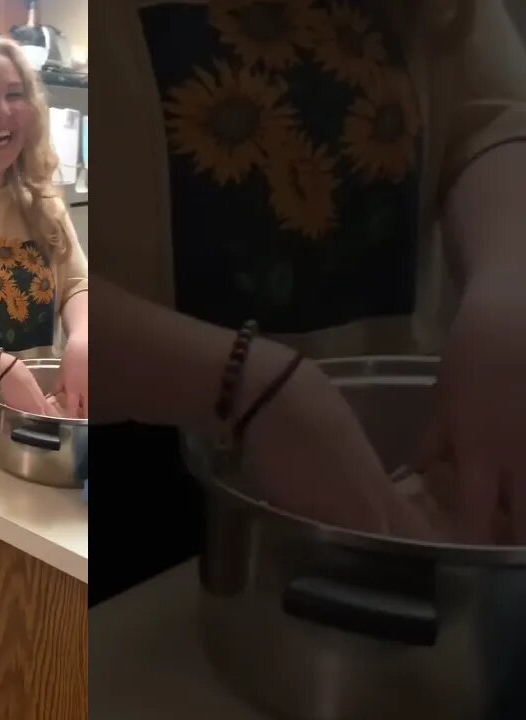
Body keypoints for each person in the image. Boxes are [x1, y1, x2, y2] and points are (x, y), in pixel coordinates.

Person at [0, 34, 434, 711]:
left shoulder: (38, 197)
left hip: (31, 400)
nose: (2, 110)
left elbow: (77, 283)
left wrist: (78, 336)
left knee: (3, 570)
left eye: (14, 94)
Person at [85, 0, 526, 600]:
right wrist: (241, 384)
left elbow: (494, 119)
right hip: (116, 477)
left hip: (382, 433)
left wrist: (506, 293)